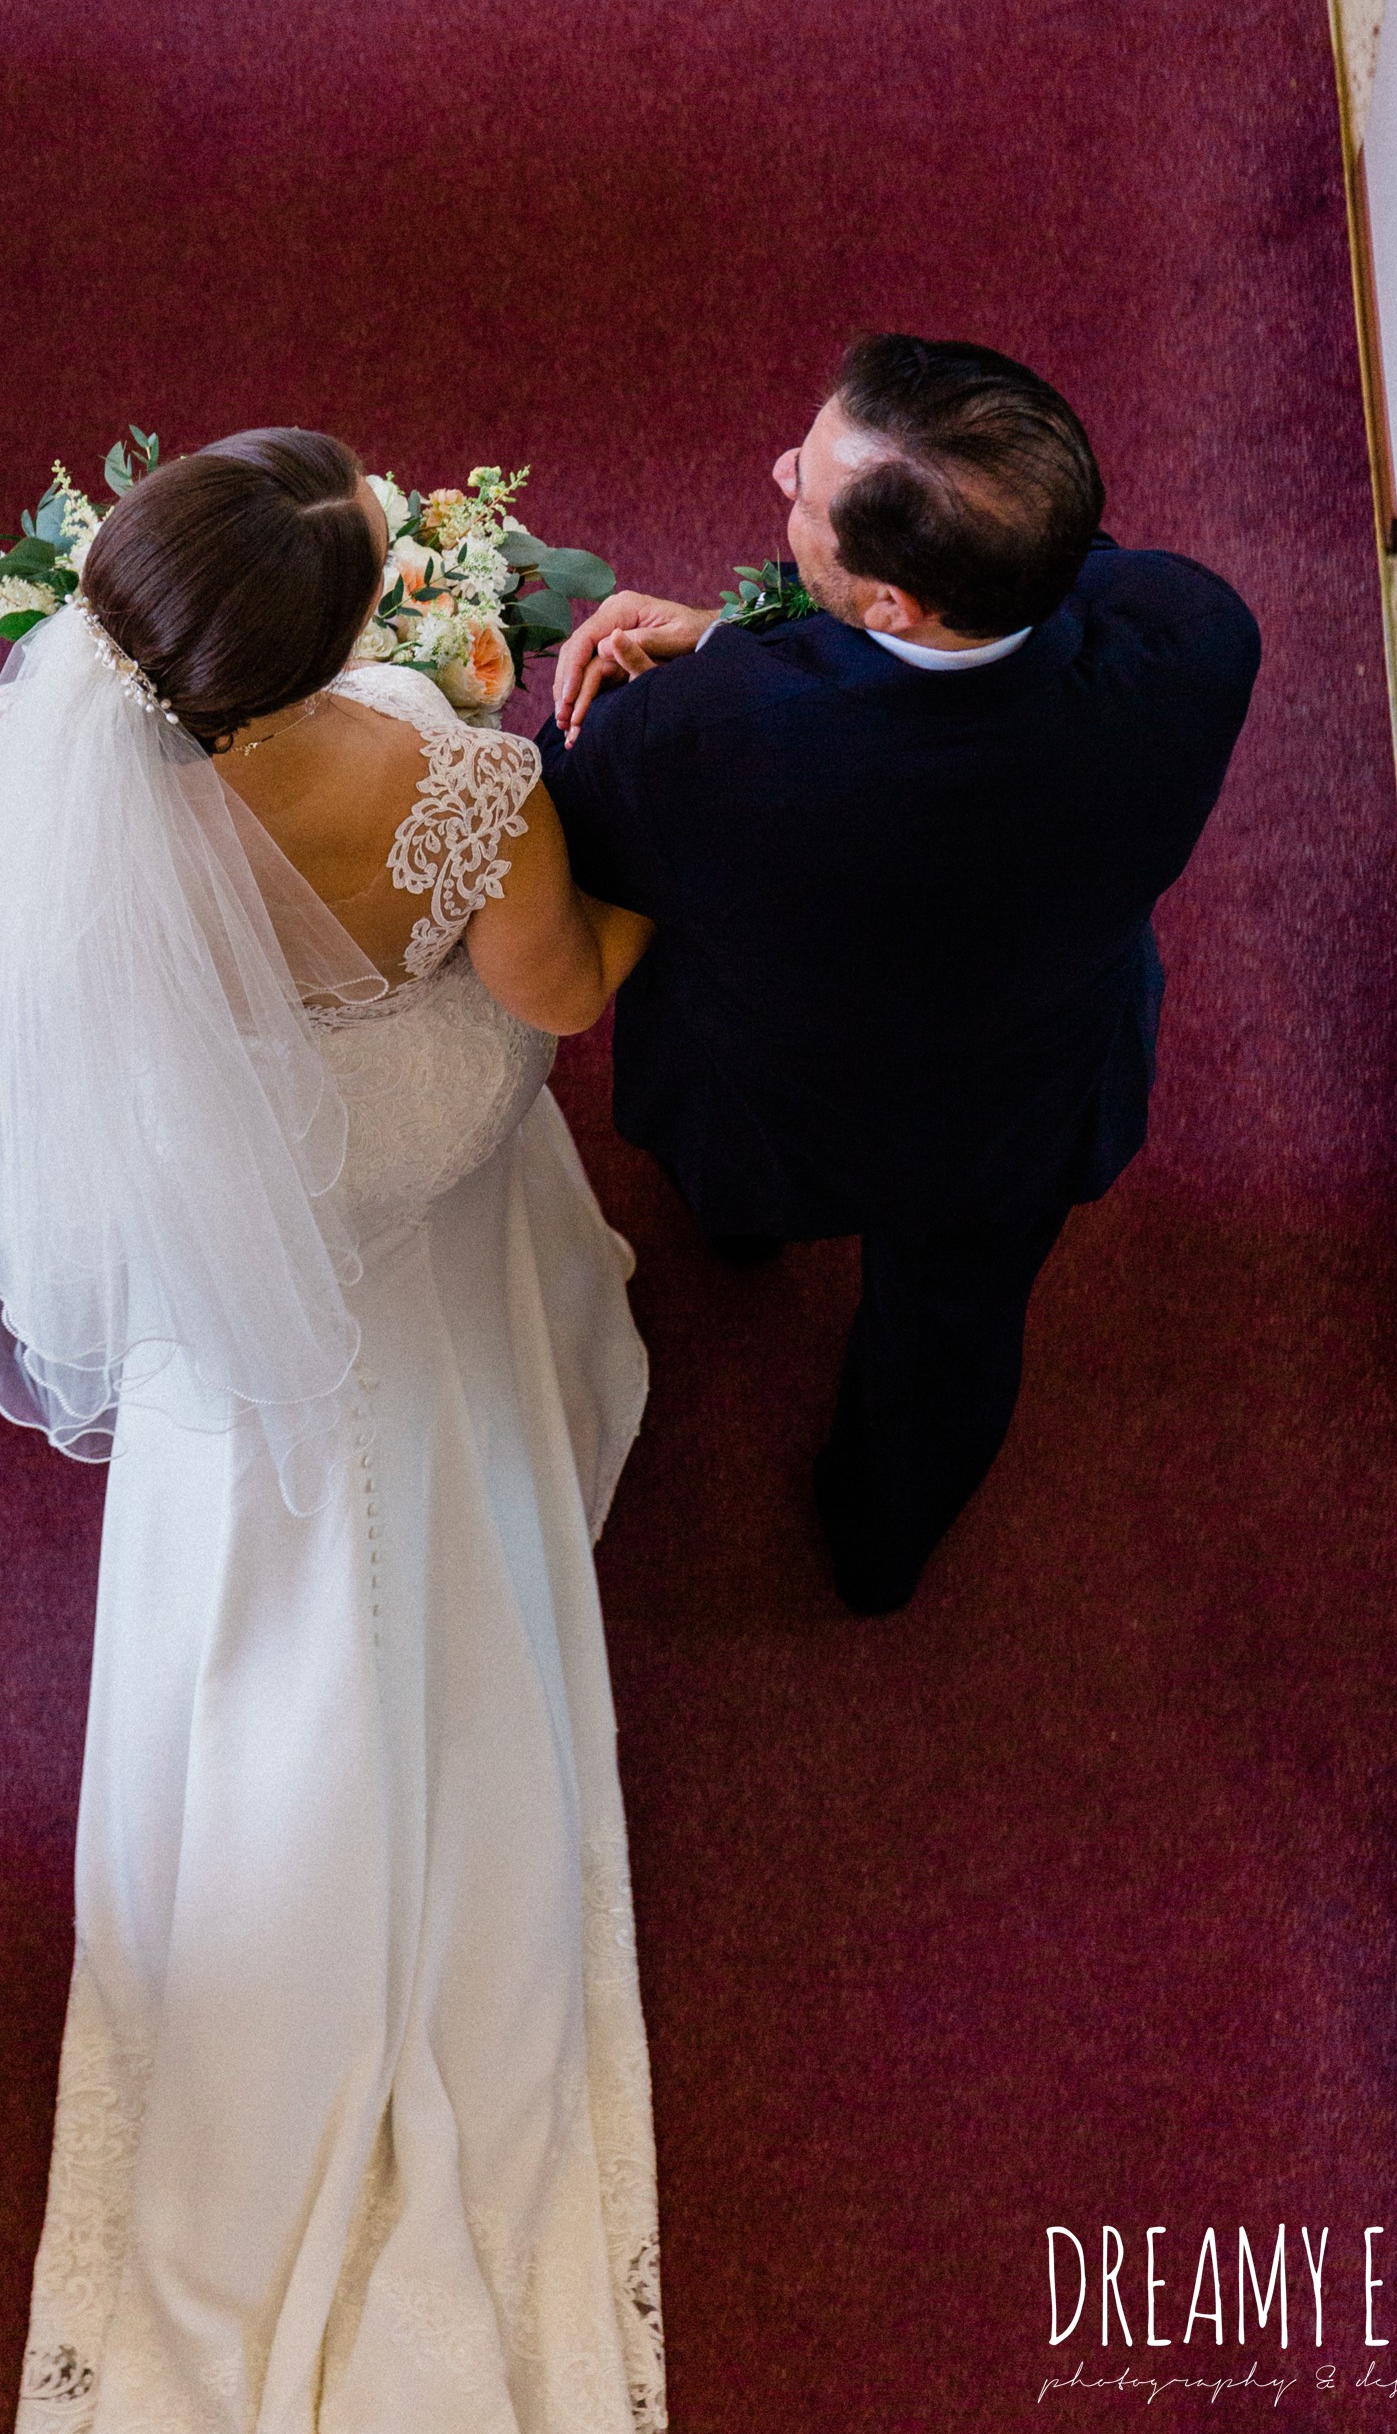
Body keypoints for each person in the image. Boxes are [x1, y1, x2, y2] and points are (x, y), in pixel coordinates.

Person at [0, 430, 666, 2434]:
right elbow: (562, 991)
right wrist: (676, 878)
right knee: (447, 1311)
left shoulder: (30, 764)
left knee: (255, 1466)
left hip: (222, 1184)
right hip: (409, 1162)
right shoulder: (450, 776)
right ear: (332, 636)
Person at [540, 333, 1260, 1617]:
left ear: (891, 606)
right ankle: (879, 1549)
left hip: (782, 1101)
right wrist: (735, 645)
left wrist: (708, 664)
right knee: (953, 1334)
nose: (776, 475)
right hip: (1023, 1097)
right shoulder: (1198, 639)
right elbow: (1086, 590)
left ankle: (741, 1236)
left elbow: (583, 840)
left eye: (804, 496)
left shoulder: (700, 740)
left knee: (739, 1174)